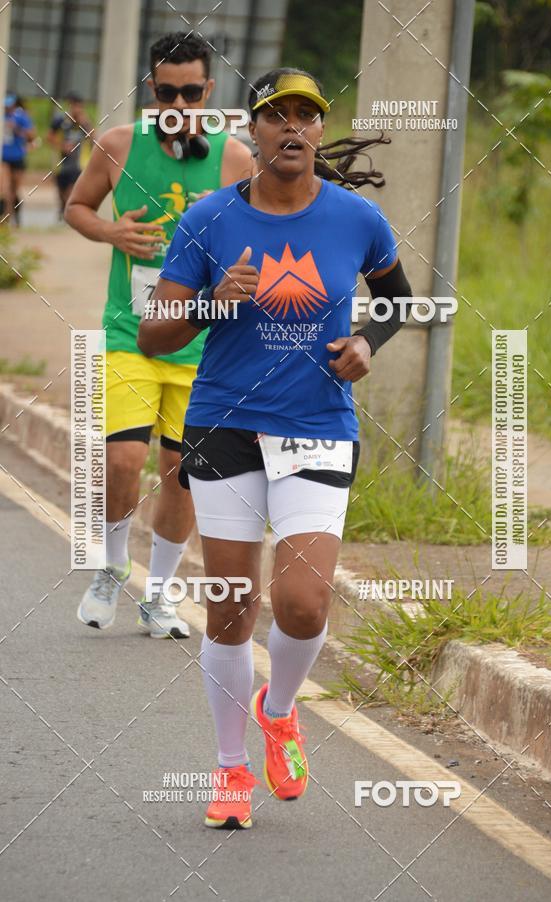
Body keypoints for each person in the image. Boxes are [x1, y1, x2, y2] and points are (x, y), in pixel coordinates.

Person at [138, 67, 412, 828]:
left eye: (307, 116)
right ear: (251, 131)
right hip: (224, 425)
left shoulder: (357, 219)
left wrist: (367, 341)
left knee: (303, 602)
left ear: (319, 132)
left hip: (317, 425)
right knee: (230, 610)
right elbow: (156, 333)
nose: (293, 127)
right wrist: (208, 301)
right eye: (276, 115)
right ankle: (230, 773)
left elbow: (396, 301)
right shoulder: (207, 219)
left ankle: (280, 710)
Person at [65, 32, 252, 639]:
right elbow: (76, 207)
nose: (179, 102)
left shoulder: (233, 158)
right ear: (152, 90)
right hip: (134, 332)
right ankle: (112, 568)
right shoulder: (119, 145)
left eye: (191, 92)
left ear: (209, 91)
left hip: (205, 343)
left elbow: (264, 233)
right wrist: (111, 233)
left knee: (183, 472)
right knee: (124, 458)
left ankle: (161, 595)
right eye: (167, 91)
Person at [47, 91, 93, 218]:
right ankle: (63, 211)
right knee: (61, 193)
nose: (76, 109)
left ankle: (70, 217)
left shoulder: (85, 123)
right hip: (61, 164)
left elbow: (94, 139)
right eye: (74, 106)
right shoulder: (60, 121)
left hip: (79, 164)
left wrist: (85, 123)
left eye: (79, 106)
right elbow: (49, 137)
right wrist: (62, 145)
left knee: (71, 192)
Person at [1, 94, 35, 224]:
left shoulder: (21, 117)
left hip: (18, 157)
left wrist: (16, 128)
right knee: (5, 188)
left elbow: (31, 136)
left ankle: (16, 215)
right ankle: (6, 219)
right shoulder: (2, 116)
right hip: (4, 158)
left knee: (14, 191)